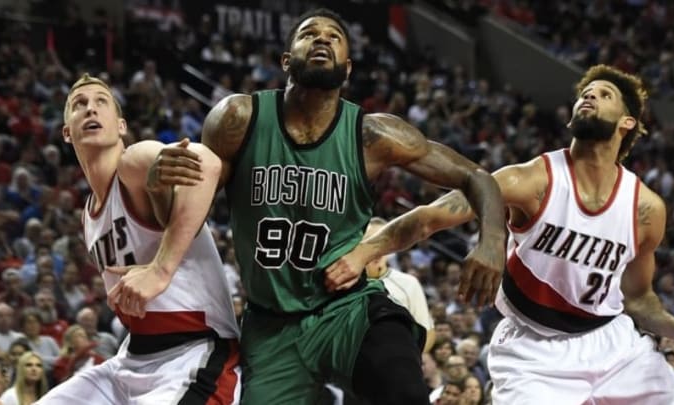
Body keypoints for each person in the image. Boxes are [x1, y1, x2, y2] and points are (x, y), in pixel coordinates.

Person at [141, 8, 506, 404]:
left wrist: (491, 241)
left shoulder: (372, 134)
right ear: (286, 60)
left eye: (333, 36)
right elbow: (182, 225)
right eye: (309, 34)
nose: (321, 39)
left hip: (346, 310)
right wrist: (160, 186)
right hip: (270, 325)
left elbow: (477, 177)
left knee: (402, 387)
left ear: (347, 68)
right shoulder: (239, 118)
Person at [329, 64, 674, 403]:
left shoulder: (646, 210)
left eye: (604, 95)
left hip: (612, 345)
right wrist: (363, 252)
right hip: (534, 352)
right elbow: (429, 218)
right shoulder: (531, 180)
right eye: (584, 94)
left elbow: (638, 298)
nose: (588, 97)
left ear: (627, 122)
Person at [37, 74, 240, 404]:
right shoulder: (88, 216)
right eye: (80, 105)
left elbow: (208, 162)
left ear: (120, 126)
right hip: (131, 358)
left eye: (101, 102)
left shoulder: (135, 162)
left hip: (193, 352)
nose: (91, 109)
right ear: (66, 132)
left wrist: (160, 269)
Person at [363, 217, 435, 352]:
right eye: (370, 241)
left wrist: (406, 364)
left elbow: (427, 333)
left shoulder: (408, 283)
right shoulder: (342, 281)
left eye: (383, 241)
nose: (377, 248)